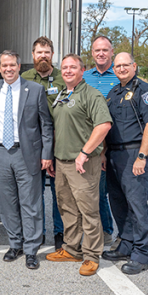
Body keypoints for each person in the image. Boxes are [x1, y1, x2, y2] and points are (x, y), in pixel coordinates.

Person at [0, 50, 53, 270]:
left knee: (30, 203)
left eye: (12, 65)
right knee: (7, 203)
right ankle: (15, 244)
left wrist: (47, 154)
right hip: (0, 153)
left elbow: (46, 125)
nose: (8, 69)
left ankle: (31, 249)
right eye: (4, 65)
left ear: (19, 66)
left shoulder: (35, 89)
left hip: (27, 154)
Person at [44, 54, 112, 276]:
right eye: (64, 68)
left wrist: (84, 153)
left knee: (88, 210)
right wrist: (54, 156)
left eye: (73, 67)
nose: (68, 71)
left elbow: (103, 126)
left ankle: (91, 255)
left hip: (83, 163)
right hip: (62, 162)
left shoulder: (91, 95)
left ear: (83, 71)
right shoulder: (62, 94)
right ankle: (71, 249)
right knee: (67, 208)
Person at [102, 52, 148, 275]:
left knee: (137, 206)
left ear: (134, 66)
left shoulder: (143, 90)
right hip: (114, 155)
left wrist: (142, 157)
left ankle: (140, 253)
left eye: (125, 65)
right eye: (117, 66)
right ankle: (126, 243)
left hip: (134, 154)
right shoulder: (113, 92)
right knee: (118, 202)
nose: (121, 69)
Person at [21, 36, 66, 249]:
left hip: (58, 143)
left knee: (59, 192)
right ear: (33, 55)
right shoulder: (24, 77)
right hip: (33, 144)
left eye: (47, 52)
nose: (43, 56)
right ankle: (37, 233)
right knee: (34, 192)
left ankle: (60, 233)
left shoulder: (62, 78)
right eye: (39, 52)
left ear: (52, 55)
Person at [83, 35, 119, 246]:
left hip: (119, 142)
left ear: (111, 52)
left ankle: (122, 234)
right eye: (97, 50)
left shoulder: (120, 74)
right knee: (98, 192)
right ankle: (104, 233)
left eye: (105, 50)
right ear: (92, 53)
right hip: (95, 145)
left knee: (119, 193)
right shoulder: (85, 76)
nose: (101, 53)